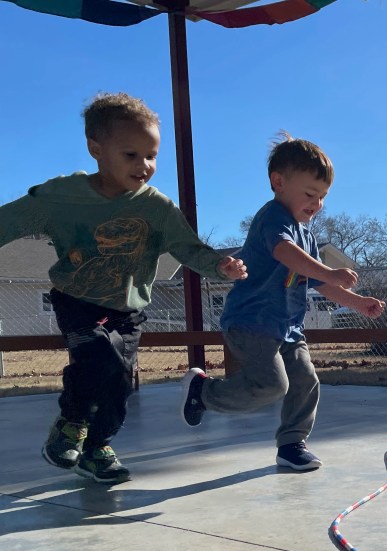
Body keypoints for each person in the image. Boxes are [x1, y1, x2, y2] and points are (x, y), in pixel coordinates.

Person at [0, 92, 247, 484]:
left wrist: (219, 265)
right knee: (97, 355)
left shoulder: (156, 208)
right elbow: (9, 221)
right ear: (96, 149)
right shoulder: (62, 197)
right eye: (131, 155)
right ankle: (70, 424)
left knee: (119, 379)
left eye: (151, 156)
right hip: (77, 300)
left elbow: (186, 247)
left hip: (127, 310)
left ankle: (97, 447)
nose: (144, 166)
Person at [180, 135, 385, 471]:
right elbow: (284, 252)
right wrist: (330, 272)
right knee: (272, 385)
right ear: (278, 182)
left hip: (288, 328)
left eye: (322, 197)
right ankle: (203, 392)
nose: (317, 204)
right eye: (310, 194)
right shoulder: (273, 218)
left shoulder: (308, 237)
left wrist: (357, 302)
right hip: (252, 323)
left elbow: (317, 282)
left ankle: (291, 444)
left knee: (305, 381)